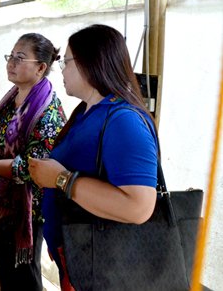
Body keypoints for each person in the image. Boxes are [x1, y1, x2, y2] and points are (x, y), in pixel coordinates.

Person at [28, 24, 158, 290]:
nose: (62, 70)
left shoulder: (123, 120)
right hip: (81, 258)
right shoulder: (88, 111)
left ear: (90, 63)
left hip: (105, 266)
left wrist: (62, 180)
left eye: (66, 62)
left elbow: (139, 207)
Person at [0, 33, 66, 291]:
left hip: (25, 209)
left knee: (24, 278)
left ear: (40, 68)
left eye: (19, 58)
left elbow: (30, 168)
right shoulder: (12, 98)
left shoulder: (47, 112)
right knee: (7, 273)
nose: (10, 63)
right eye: (10, 56)